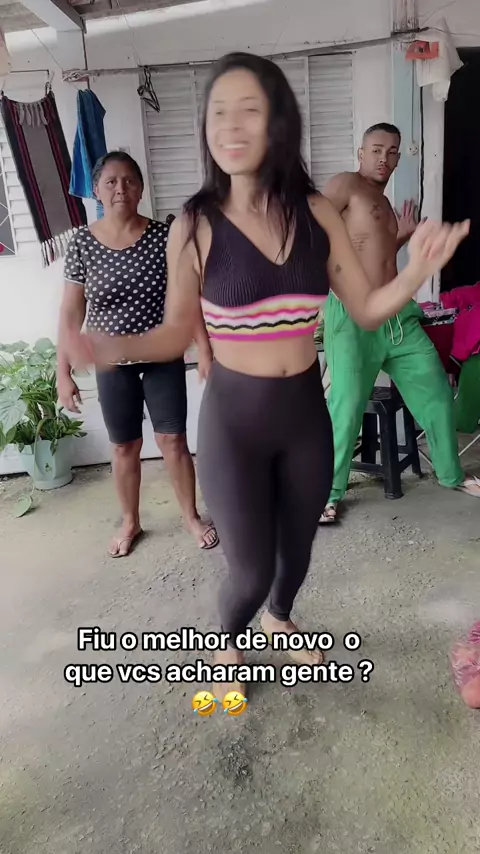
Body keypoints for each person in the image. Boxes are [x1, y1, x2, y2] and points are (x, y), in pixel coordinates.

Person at [62, 55, 468, 700]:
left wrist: (417, 269)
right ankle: (227, 641)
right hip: (235, 423)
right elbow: (175, 331)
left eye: (248, 110)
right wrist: (110, 346)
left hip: (303, 415)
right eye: (218, 112)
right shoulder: (194, 224)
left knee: (297, 552)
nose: (230, 124)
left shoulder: (317, 212)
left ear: (279, 123)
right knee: (249, 573)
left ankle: (279, 620)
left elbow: (366, 307)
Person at [57, 151, 219, 556]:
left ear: (141, 189)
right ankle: (130, 521)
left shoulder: (164, 236)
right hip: (111, 364)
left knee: (173, 440)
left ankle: (190, 516)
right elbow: (71, 313)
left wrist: (205, 349)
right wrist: (63, 372)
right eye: (110, 182)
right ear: (96, 190)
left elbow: (188, 299)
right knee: (123, 446)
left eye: (129, 180)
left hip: (162, 356)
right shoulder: (82, 243)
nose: (120, 189)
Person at [319, 123, 480, 524]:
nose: (384, 158)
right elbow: (311, 233)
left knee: (436, 390)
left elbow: (374, 253)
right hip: (353, 317)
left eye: (392, 151)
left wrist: (402, 237)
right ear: (361, 153)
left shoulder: (384, 203)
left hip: (396, 317)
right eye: (376, 149)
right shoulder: (345, 185)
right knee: (346, 406)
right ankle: (329, 493)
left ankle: (450, 473)